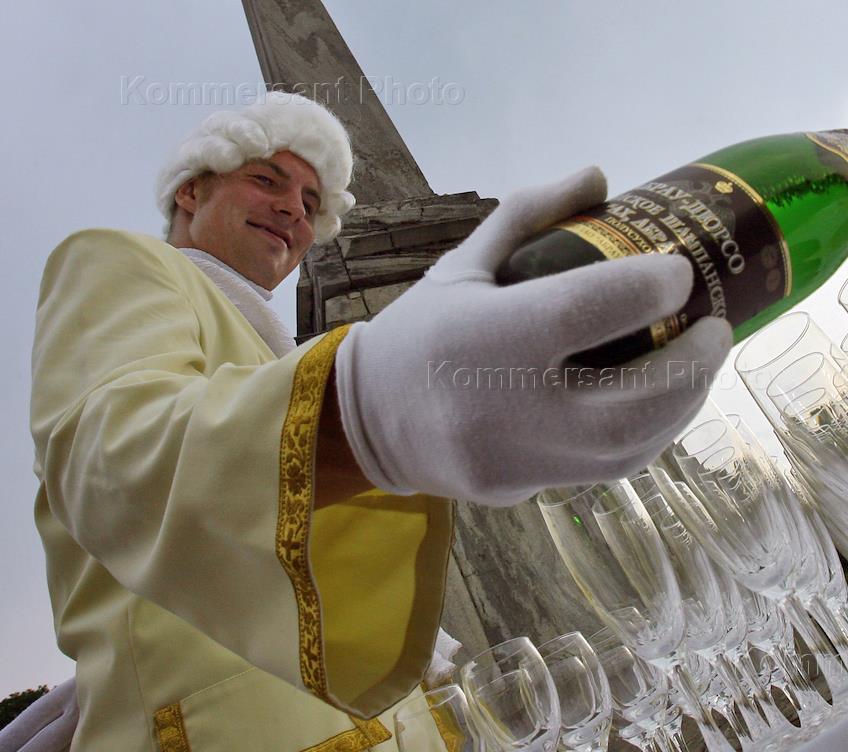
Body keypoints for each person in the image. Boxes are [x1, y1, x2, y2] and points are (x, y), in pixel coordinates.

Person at [25, 91, 731, 750]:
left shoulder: (276, 352)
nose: (292, 210)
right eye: (267, 181)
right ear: (191, 191)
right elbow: (112, 462)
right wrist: (368, 408)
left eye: (310, 203)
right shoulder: (115, 260)